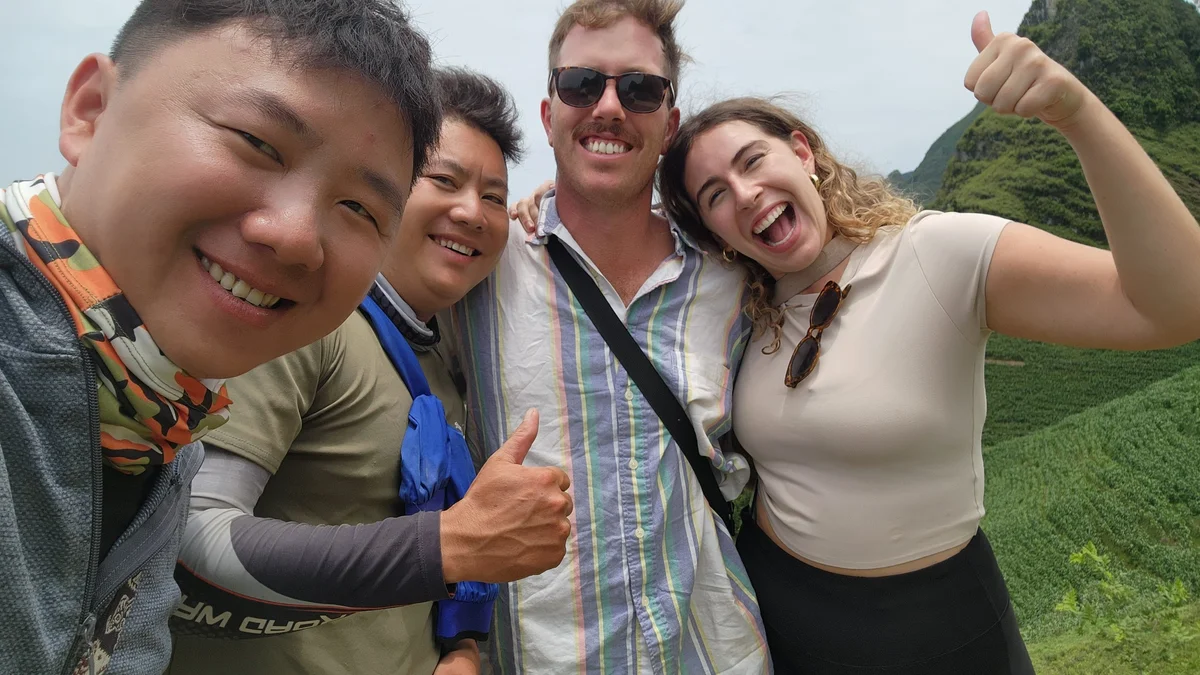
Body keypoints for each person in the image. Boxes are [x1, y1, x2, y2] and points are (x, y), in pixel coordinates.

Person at [651, 11, 1200, 674]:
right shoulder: (735, 305)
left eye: (752, 160)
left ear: (801, 152)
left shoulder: (937, 254)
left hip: (942, 625)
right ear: (712, 230)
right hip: (782, 613)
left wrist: (1077, 112)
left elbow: (1177, 306)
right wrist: (551, 208)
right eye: (714, 194)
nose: (744, 193)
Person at [0, 0, 443, 673]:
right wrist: (444, 548)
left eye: (358, 208)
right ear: (90, 109)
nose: (296, 236)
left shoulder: (164, 419)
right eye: (257, 142)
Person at [166, 68, 574, 675]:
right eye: (444, 180)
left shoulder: (441, 362)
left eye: (494, 196)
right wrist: (449, 545)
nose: (472, 211)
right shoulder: (301, 323)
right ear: (383, 192)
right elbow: (189, 543)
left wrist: (460, 650)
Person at [451, 0, 770, 672]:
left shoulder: (733, 280)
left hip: (711, 654)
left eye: (640, 89)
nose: (608, 107)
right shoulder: (482, 267)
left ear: (669, 121)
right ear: (549, 112)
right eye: (580, 84)